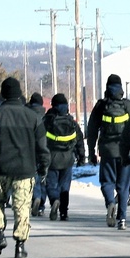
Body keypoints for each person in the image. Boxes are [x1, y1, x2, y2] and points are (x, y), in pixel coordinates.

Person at [0, 77, 50, 258]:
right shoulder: (33, 118)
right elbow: (42, 146)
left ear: (3, 93)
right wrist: (44, 166)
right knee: (22, 207)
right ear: (19, 93)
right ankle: (20, 246)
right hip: (24, 170)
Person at [87, 74, 130, 230]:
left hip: (107, 151)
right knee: (123, 186)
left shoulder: (101, 106)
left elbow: (92, 130)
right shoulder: (129, 106)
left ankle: (110, 203)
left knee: (107, 182)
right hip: (126, 152)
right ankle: (122, 219)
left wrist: (91, 152)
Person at [43, 93, 85, 222]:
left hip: (52, 158)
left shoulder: (47, 120)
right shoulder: (71, 122)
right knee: (65, 186)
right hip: (68, 158)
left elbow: (40, 139)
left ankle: (55, 200)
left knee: (51, 184)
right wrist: (81, 156)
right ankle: (64, 213)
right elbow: (79, 140)